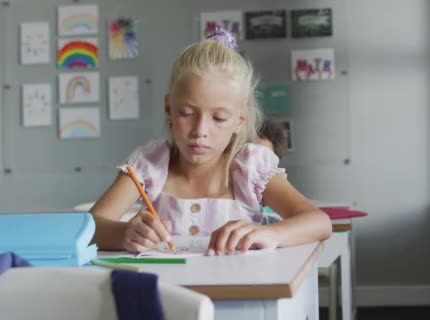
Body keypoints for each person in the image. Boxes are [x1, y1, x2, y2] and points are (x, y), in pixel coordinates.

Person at [90, 28, 332, 255]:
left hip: (241, 293)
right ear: (168, 109)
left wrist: (271, 234)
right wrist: (124, 234)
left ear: (240, 120)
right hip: (168, 295)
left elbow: (319, 222)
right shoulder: (148, 164)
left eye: (219, 118)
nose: (200, 130)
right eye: (186, 113)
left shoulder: (251, 167)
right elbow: (89, 228)